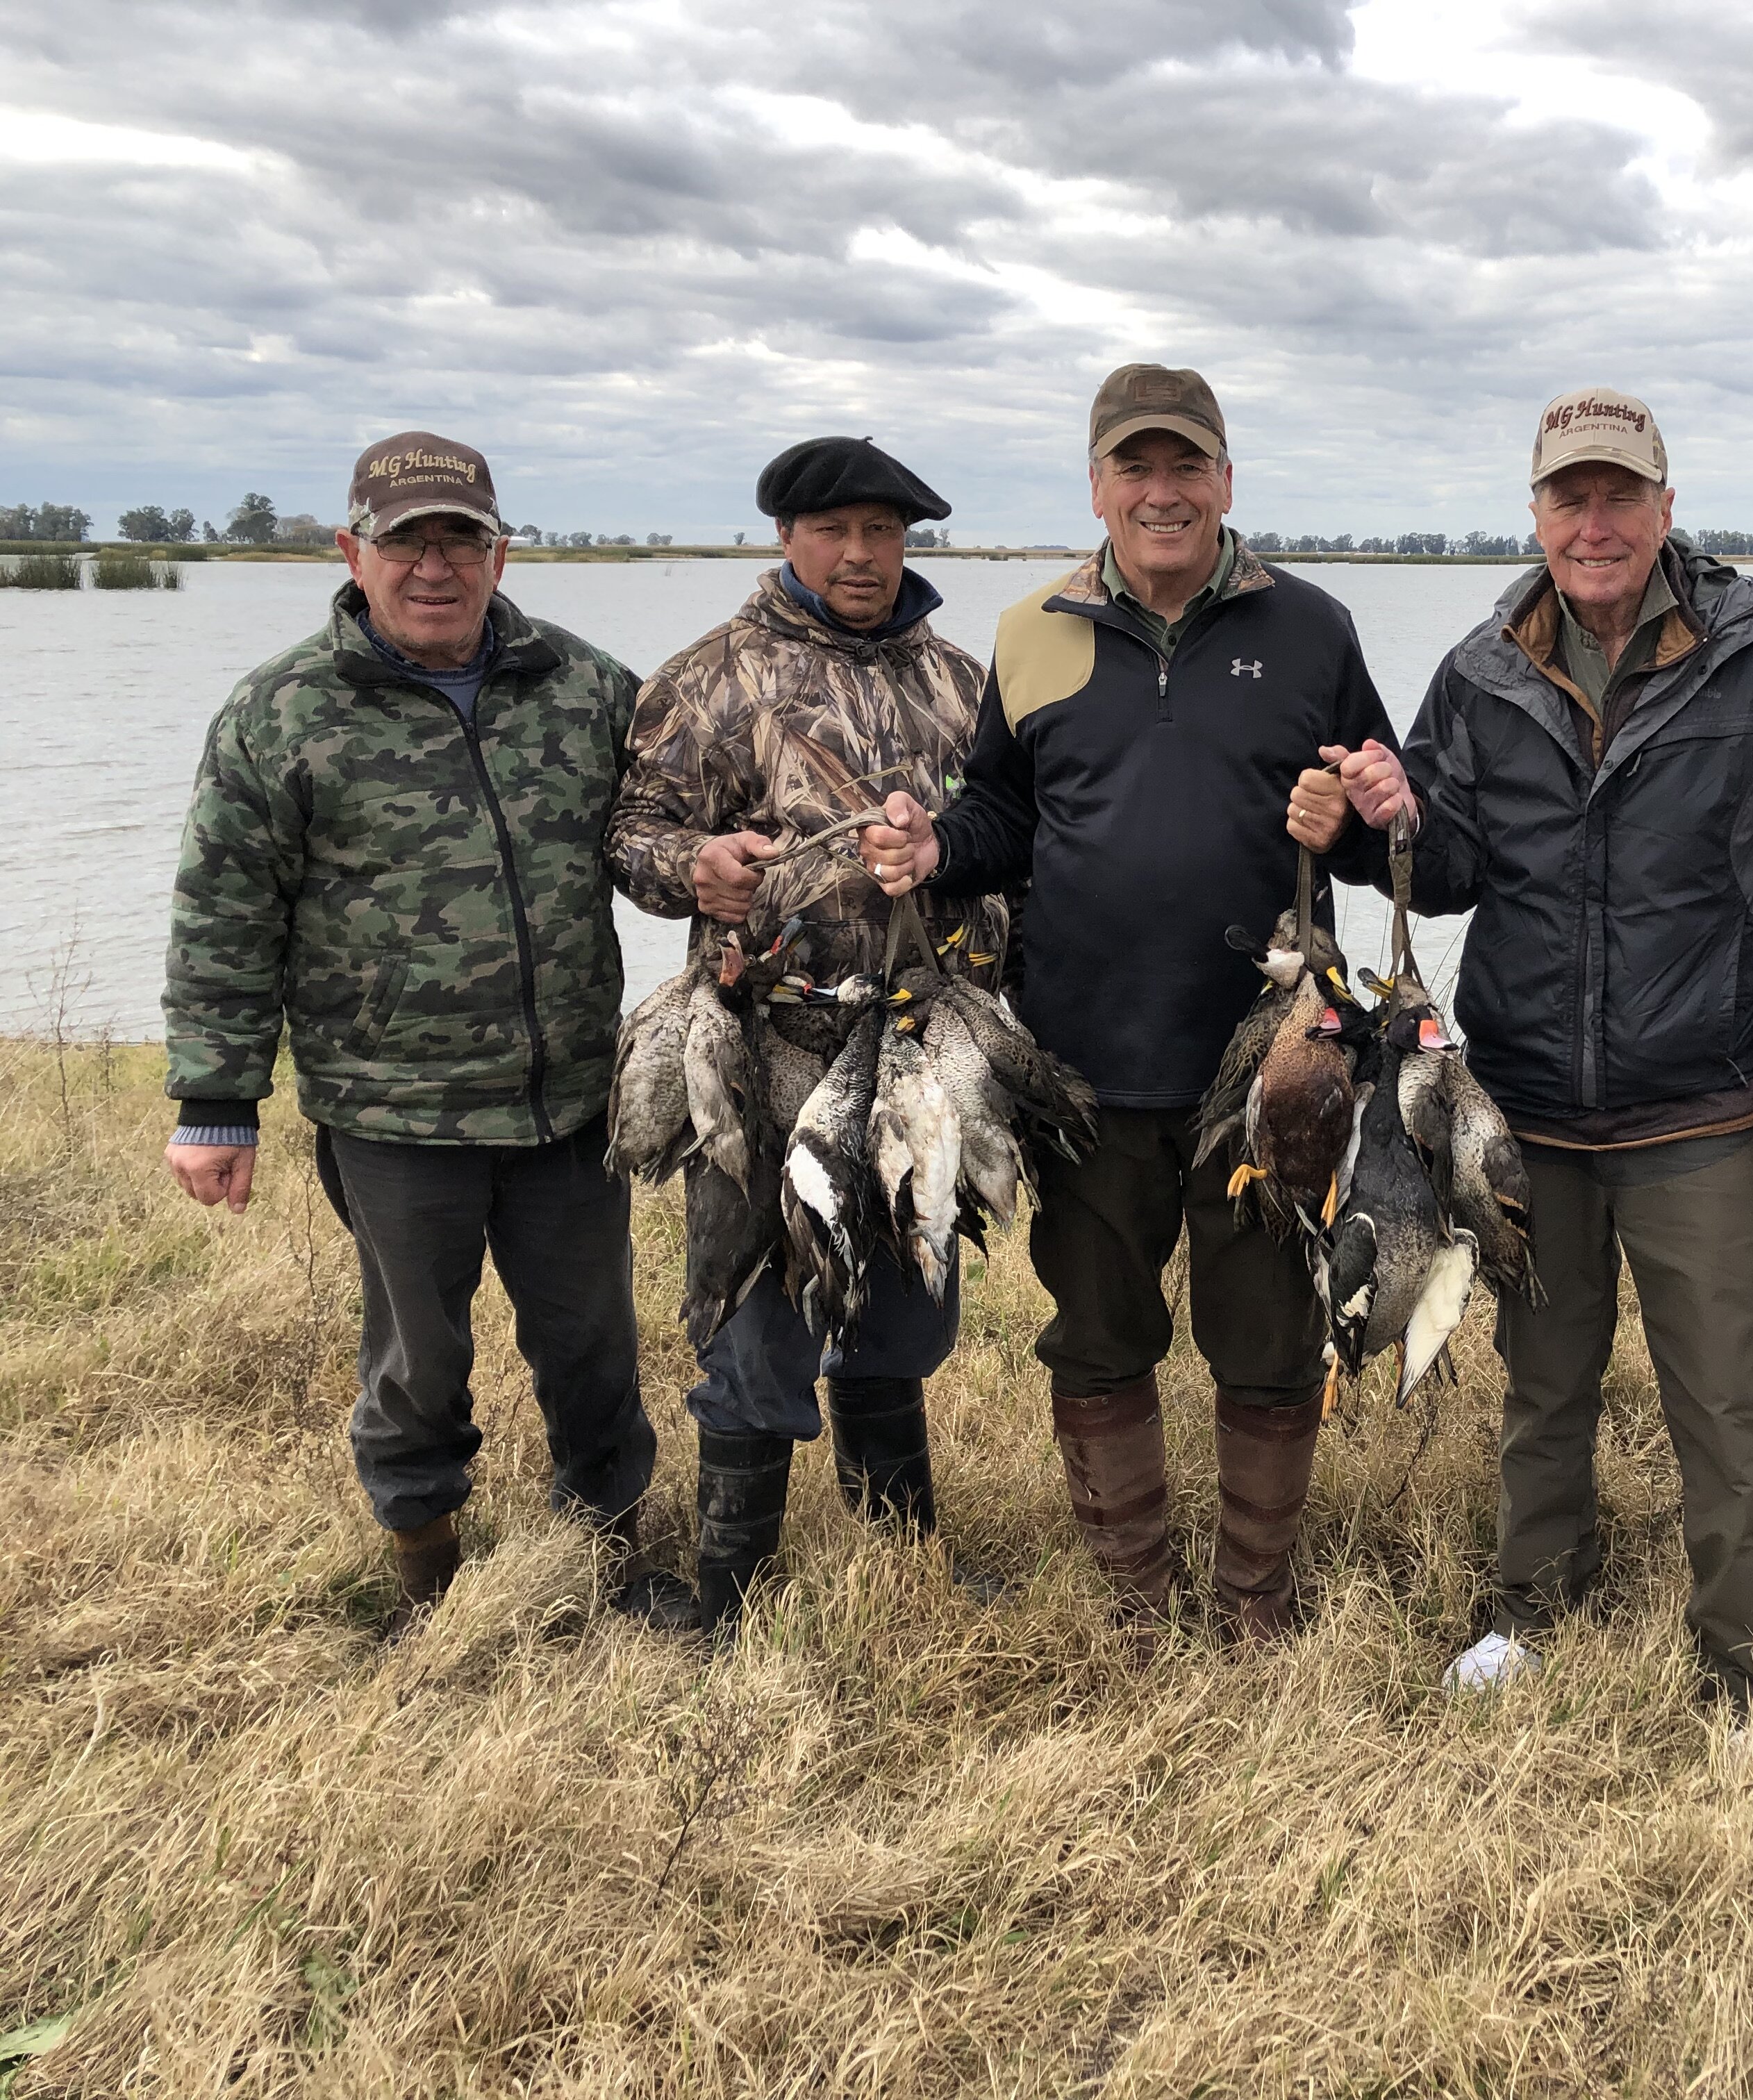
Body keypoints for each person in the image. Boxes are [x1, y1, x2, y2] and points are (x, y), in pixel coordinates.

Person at [1335, 387, 1753, 1708]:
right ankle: (1536, 1600)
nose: (1595, 523)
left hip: (1701, 1102)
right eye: (1568, 498)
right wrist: (1390, 818)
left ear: (1665, 503)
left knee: (1732, 1402)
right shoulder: (1479, 669)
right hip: (1527, 1106)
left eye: (1620, 495)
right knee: (1546, 1383)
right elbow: (1452, 865)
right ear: (1534, 513)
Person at [861, 365, 1397, 1640]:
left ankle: (1252, 1604)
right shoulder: (1033, 628)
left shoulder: (1315, 630)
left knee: (1266, 1343)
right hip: (1084, 1061)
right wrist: (937, 845)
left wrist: (1361, 811)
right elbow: (1002, 812)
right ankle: (1138, 1606)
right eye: (1135, 469)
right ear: (1096, 485)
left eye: (1186, 466)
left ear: (1226, 479)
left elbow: (1386, 831)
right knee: (1100, 1337)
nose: (1162, 494)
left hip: (1267, 1071)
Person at [163, 431, 654, 1633]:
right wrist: (217, 1103)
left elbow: (659, 843)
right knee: (418, 1364)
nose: (435, 566)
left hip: (571, 1102)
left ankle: (611, 1554)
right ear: (352, 550)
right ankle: (425, 1575)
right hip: (394, 1111)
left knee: (593, 1346)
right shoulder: (281, 715)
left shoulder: (591, 688)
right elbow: (226, 915)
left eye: (461, 540)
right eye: (406, 540)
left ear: (500, 551)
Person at [605, 435, 1005, 1635]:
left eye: (882, 531)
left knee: (903, 1301)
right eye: (835, 531)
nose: (861, 554)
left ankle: (905, 1560)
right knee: (750, 1311)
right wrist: (699, 868)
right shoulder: (712, 676)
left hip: (917, 1047)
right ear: (787, 537)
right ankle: (730, 1597)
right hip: (762, 1047)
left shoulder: (961, 682)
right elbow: (632, 833)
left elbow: (1010, 841)